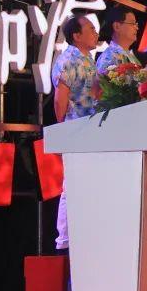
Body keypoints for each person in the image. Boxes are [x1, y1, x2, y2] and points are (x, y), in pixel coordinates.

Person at [52, 14, 100, 252]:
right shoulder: (68, 59)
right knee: (72, 185)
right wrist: (63, 130)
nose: (96, 33)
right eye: (90, 29)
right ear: (76, 36)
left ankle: (85, 232)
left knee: (88, 184)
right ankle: (65, 240)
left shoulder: (89, 59)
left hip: (93, 132)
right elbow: (60, 98)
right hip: (76, 130)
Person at [96, 7, 140, 73]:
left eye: (136, 24)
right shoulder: (108, 58)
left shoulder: (129, 55)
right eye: (132, 23)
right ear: (117, 26)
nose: (136, 28)